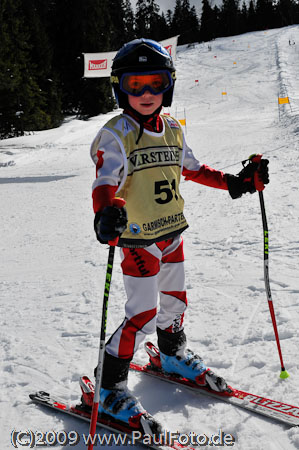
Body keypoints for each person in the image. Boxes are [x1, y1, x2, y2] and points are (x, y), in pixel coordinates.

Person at [90, 38, 269, 428]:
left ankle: (171, 354)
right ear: (120, 87)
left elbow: (193, 169)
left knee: (175, 303)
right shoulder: (117, 133)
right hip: (138, 239)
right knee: (143, 313)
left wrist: (237, 182)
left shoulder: (172, 128)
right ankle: (109, 385)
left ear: (168, 85)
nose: (146, 93)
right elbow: (104, 181)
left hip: (172, 232)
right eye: (135, 85)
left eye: (154, 82)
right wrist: (104, 213)